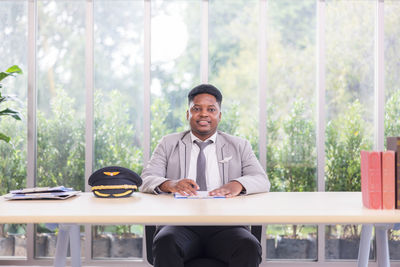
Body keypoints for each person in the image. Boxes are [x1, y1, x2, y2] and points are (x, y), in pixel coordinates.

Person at [140, 84, 270, 267]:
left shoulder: (240, 145)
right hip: (179, 225)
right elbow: (146, 178)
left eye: (211, 109)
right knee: (165, 241)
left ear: (219, 115)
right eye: (196, 109)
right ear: (188, 114)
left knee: (248, 245)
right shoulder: (169, 143)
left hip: (228, 226)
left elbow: (261, 179)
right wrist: (171, 184)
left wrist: (237, 184)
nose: (203, 114)